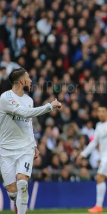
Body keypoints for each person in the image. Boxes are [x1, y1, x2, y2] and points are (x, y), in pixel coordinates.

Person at [0, 67, 61, 214]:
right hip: (6, 150)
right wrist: (49, 106)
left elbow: (28, 123)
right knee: (12, 192)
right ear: (21, 81)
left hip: (25, 148)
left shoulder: (29, 99)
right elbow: (24, 113)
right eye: (28, 78)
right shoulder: (5, 98)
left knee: (22, 183)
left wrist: (33, 145)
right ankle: (17, 204)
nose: (31, 81)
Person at [77, 107, 107, 213]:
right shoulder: (99, 126)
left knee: (99, 177)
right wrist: (83, 154)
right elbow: (94, 142)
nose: (101, 114)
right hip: (105, 156)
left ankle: (99, 206)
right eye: (99, 112)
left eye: (103, 111)